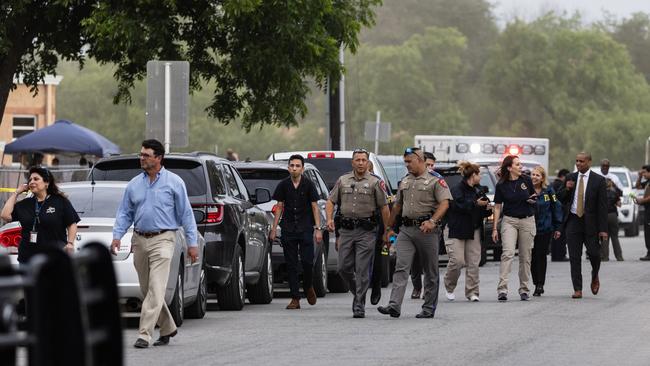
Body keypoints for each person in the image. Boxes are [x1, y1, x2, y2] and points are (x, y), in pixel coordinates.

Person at [111, 139, 198, 349]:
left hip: (164, 239)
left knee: (156, 288)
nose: (141, 158)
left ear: (158, 158)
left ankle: (144, 334)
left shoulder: (174, 182)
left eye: (146, 155)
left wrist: (192, 243)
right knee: (147, 289)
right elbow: (125, 213)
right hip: (139, 240)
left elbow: (186, 214)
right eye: (140, 154)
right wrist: (117, 236)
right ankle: (168, 327)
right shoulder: (134, 184)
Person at [377, 147, 451, 319]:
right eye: (405, 162)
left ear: (419, 159)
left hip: (428, 231)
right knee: (401, 267)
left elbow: (445, 203)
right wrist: (388, 229)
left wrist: (432, 221)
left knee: (430, 270)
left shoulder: (435, 180)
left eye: (409, 161)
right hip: (406, 230)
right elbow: (397, 206)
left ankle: (428, 307)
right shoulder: (405, 181)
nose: (407, 165)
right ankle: (394, 305)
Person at [326, 149, 390, 318]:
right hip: (346, 230)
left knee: (362, 269)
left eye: (363, 160)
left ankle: (359, 304)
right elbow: (330, 201)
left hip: (366, 231)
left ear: (368, 163)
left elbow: (384, 207)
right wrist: (329, 219)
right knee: (343, 268)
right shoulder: (343, 180)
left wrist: (387, 231)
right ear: (352, 162)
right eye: (357, 160)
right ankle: (358, 292)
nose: (361, 163)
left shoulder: (376, 182)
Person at [269, 154, 323, 309]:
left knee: (307, 262)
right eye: (292, 165)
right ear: (288, 167)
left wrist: (318, 229)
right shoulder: (283, 185)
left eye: (297, 166)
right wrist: (274, 229)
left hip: (305, 228)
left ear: (302, 168)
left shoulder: (309, 185)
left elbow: (315, 207)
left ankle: (308, 286)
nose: (294, 168)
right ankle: (295, 298)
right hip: (288, 229)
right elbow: (279, 207)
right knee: (291, 264)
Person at [1, 166, 80, 264]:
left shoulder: (60, 201)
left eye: (36, 179)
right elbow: (5, 215)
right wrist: (16, 192)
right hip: (28, 259)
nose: (31, 182)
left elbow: (72, 223)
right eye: (30, 180)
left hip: (54, 258)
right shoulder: (25, 204)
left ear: (46, 183)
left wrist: (70, 243)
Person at [557, 152, 608, 299]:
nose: (579, 163)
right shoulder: (570, 177)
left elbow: (602, 207)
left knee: (594, 254)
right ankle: (577, 288)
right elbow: (558, 198)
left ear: (589, 162)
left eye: (582, 161)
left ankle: (595, 274)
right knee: (574, 256)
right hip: (573, 221)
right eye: (577, 161)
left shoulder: (598, 181)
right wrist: (567, 188)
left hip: (590, 223)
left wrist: (603, 229)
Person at [443, 161, 490, 302]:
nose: (480, 177)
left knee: (474, 262)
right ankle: (449, 286)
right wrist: (476, 204)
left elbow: (482, 210)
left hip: (473, 229)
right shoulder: (456, 189)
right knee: (457, 261)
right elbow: (459, 206)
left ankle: (472, 292)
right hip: (457, 229)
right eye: (479, 174)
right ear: (473, 175)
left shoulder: (479, 190)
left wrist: (487, 209)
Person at [492, 155, 536, 302]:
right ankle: (502, 289)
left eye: (520, 164)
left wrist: (533, 199)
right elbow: (497, 207)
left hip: (527, 220)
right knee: (508, 253)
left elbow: (533, 196)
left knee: (525, 256)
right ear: (510, 168)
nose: (520, 166)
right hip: (509, 221)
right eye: (517, 164)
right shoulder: (501, 185)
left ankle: (524, 289)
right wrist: (494, 228)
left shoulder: (526, 180)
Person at [409, 151, 443, 299]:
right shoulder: (409, 179)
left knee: (430, 262)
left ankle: (429, 292)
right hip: (413, 226)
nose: (430, 167)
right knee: (415, 260)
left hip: (432, 227)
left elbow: (446, 204)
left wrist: (437, 223)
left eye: (432, 165)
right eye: (427, 164)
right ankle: (417, 287)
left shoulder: (438, 181)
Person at [530, 166, 562, 297]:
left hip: (545, 228)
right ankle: (534, 281)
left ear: (542, 178)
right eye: (533, 174)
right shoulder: (526, 190)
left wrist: (558, 227)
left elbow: (556, 207)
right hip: (529, 228)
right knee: (531, 256)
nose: (534, 177)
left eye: (537, 175)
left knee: (541, 255)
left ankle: (540, 284)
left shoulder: (549, 192)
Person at [367, 160, 391, 306]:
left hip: (377, 225)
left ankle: (376, 286)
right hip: (359, 227)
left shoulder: (378, 184)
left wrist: (386, 231)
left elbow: (387, 207)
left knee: (377, 259)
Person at [551, 169, 570, 261]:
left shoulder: (553, 184)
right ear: (563, 176)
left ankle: (555, 255)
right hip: (560, 212)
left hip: (554, 213)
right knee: (561, 235)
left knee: (555, 235)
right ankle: (560, 255)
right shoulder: (560, 185)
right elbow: (558, 198)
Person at [601, 178, 623, 261]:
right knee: (615, 237)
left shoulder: (600, 194)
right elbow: (619, 204)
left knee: (604, 237)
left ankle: (605, 257)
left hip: (603, 216)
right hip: (613, 215)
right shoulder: (615, 193)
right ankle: (619, 256)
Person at [633, 165, 650, 261]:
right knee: (647, 231)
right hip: (647, 209)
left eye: (644, 173)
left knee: (648, 232)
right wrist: (639, 176)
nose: (643, 174)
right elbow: (638, 186)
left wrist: (642, 200)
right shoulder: (647, 182)